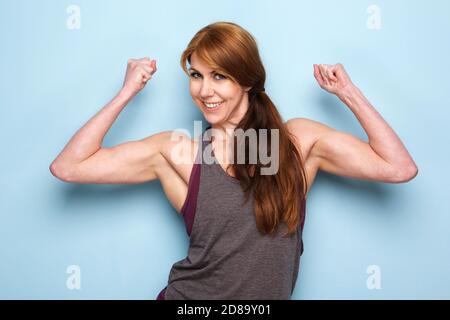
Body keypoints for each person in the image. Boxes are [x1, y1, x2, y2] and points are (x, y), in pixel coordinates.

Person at [49, 21, 418, 300]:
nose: (204, 90)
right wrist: (127, 92)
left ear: (246, 81)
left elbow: (399, 168)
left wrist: (348, 93)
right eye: (196, 76)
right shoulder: (181, 152)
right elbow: (68, 167)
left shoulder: (295, 142)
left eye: (219, 76)